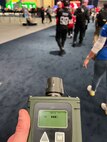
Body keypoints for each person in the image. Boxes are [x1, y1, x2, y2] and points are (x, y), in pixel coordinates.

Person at [83, 22, 107, 97]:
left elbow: (99, 44)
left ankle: (92, 91)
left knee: (97, 76)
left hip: (104, 56)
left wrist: (88, 58)